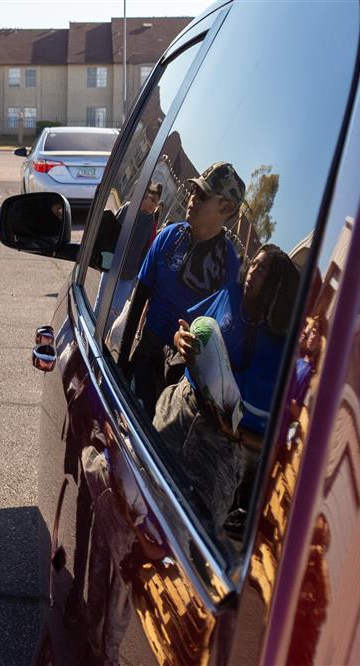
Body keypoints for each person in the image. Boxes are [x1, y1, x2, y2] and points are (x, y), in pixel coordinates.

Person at [158, 245, 300, 538]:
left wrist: (235, 434)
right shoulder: (229, 295)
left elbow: (278, 440)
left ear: (278, 287)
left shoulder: (284, 352)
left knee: (191, 536)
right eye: (254, 264)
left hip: (221, 450)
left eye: (263, 271)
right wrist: (180, 339)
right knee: (145, 497)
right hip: (179, 409)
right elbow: (187, 327)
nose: (252, 273)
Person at [118, 162, 245, 417]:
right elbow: (140, 296)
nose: (192, 199)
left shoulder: (228, 265)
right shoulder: (169, 236)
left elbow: (224, 331)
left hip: (185, 373)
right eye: (193, 192)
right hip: (147, 352)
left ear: (227, 208)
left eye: (203, 195)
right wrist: (122, 363)